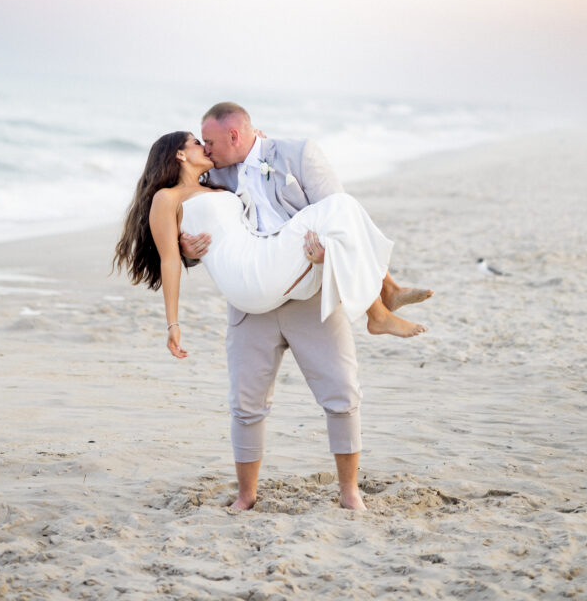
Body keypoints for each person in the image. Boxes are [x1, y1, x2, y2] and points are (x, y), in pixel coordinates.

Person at [114, 106, 432, 511]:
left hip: (305, 285)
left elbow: (326, 216)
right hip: (253, 291)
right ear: (180, 155)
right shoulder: (207, 179)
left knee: (342, 392)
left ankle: (350, 492)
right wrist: (180, 264)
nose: (206, 148)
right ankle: (246, 495)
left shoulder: (294, 155)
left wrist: (325, 253)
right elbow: (176, 252)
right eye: (199, 143)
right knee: (245, 404)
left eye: (208, 141)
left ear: (234, 134)